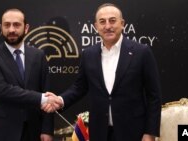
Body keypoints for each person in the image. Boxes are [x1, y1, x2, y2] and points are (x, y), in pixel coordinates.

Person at [43, 3, 161, 141]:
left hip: (133, 132)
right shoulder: (88, 54)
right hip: (99, 133)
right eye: (102, 22)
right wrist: (60, 100)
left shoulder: (141, 52)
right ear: (96, 26)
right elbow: (79, 87)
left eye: (112, 20)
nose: (107, 26)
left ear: (122, 23)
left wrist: (150, 133)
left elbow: (154, 97)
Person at [0, 8, 55, 141]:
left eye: (16, 25)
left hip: (33, 131)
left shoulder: (39, 55)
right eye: (7, 25)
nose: (11, 30)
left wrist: (47, 129)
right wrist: (42, 98)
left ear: (26, 28)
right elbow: (2, 90)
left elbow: (47, 91)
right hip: (0, 132)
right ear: (1, 27)